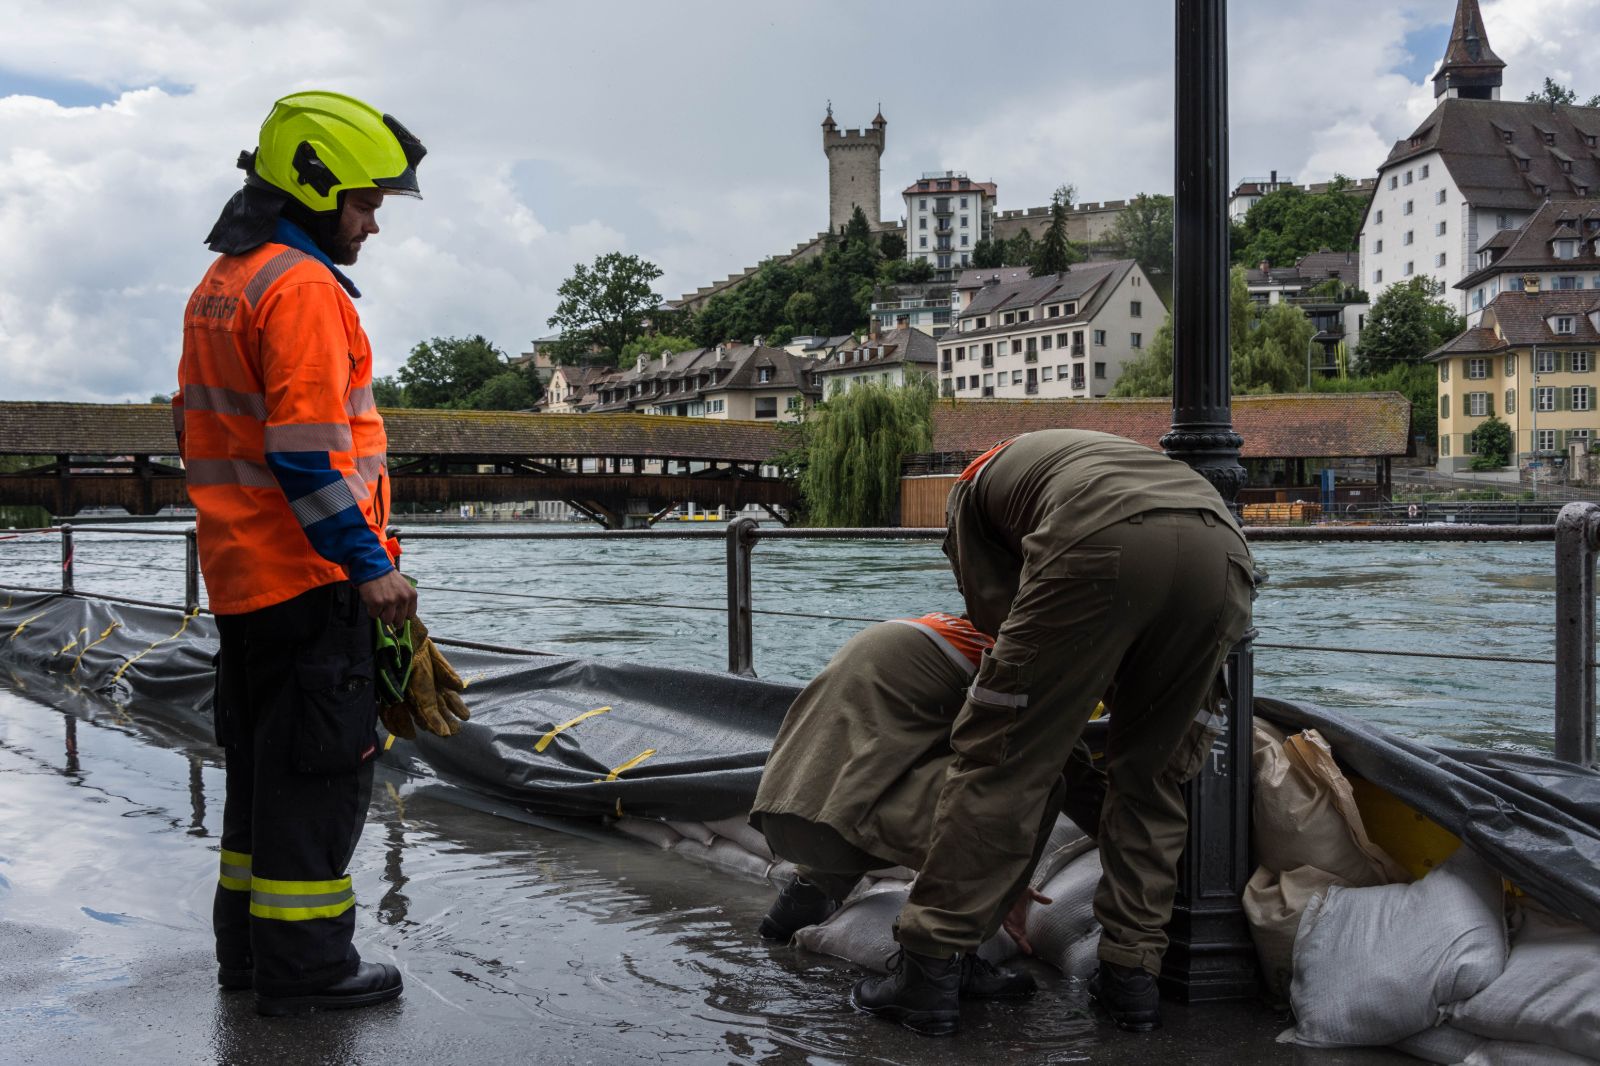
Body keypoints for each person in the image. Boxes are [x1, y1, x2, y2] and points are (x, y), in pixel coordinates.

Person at [850, 429, 1254, 1036]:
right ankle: (1131, 980)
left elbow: (997, 617)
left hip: (1097, 542)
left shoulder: (971, 491)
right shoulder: (1092, 456)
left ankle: (928, 972)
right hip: (1222, 554)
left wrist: (1044, 707)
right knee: (1151, 779)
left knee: (1000, 761)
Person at [175, 90, 426, 1017]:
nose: (371, 225)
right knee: (318, 779)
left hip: (243, 577)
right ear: (316, 190)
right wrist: (370, 565)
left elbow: (201, 432)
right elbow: (308, 453)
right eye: (364, 205)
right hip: (309, 577)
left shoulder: (222, 283)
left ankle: (248, 956)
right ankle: (309, 968)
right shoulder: (304, 289)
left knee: (261, 778)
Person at [750, 611, 1106, 1016]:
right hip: (843, 828)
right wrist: (1004, 876)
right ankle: (942, 968)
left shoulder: (933, 634)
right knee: (1036, 780)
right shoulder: (1008, 662)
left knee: (894, 761)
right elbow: (1069, 771)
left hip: (782, 816)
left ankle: (802, 900)